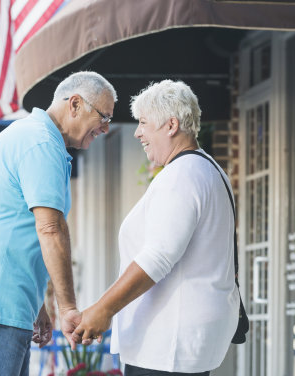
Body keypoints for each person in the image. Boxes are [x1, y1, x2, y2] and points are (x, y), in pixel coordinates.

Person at [0, 71, 117, 376]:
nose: (106, 128)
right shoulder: (40, 144)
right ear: (74, 104)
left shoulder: (36, 137)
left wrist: (39, 307)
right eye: (103, 117)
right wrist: (68, 308)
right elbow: (50, 229)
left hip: (4, 299)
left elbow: (17, 226)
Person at [72, 80, 239, 376]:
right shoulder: (210, 169)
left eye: (144, 123)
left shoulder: (181, 175)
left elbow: (158, 258)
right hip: (186, 343)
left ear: (171, 125)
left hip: (168, 347)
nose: (137, 132)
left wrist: (103, 309)